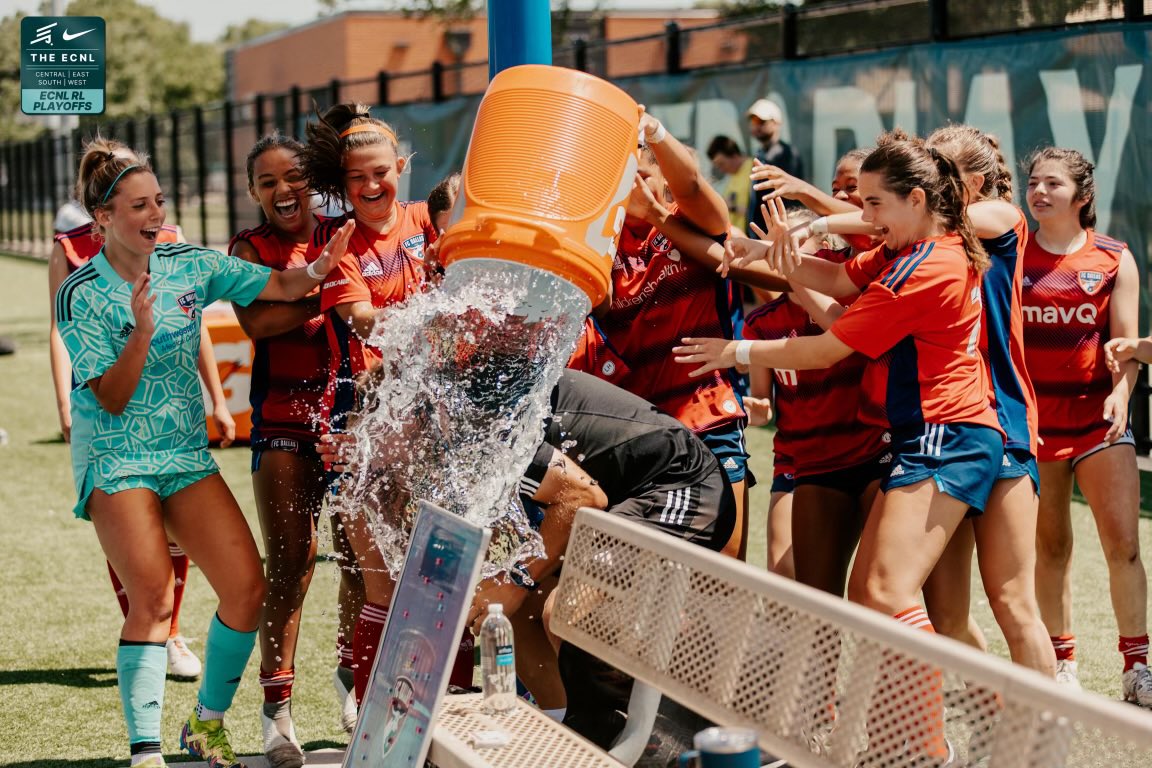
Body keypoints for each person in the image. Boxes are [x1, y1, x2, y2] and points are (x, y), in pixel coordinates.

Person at [676, 132, 1005, 765]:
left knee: (888, 594)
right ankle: (913, 741)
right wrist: (774, 253)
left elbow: (829, 348)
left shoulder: (925, 265)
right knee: (876, 594)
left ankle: (936, 743)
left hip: (948, 436)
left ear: (916, 200)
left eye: (874, 203)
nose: (864, 216)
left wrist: (734, 352)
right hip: (932, 437)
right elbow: (832, 276)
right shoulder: (911, 249)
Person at [56, 138, 353, 768]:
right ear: (104, 218)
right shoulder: (80, 293)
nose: (156, 214)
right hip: (117, 459)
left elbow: (278, 282)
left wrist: (321, 268)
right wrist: (141, 331)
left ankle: (204, 725)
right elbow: (111, 397)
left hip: (185, 456)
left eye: (159, 201)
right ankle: (145, 753)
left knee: (247, 588)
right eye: (140, 205)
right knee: (154, 596)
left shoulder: (188, 264)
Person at [323, 369, 735, 747]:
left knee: (565, 610)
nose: (376, 459)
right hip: (624, 496)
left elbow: (583, 496)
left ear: (406, 418)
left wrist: (516, 581)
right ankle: (565, 722)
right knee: (510, 610)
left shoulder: (476, 429)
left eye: (375, 442)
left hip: (680, 484)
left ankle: (653, 738)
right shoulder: (441, 425)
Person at [46, 140, 233, 682]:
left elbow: (194, 325)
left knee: (176, 532)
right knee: (131, 535)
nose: (150, 206)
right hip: (106, 411)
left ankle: (168, 631)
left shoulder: (168, 240)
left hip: (168, 413)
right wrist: (63, 403)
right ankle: (152, 625)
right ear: (104, 202)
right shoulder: (69, 249)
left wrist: (218, 398)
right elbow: (61, 331)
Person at [298, 102, 447, 708]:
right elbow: (361, 320)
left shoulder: (429, 217)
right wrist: (435, 324)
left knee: (432, 551)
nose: (370, 186)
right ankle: (355, 679)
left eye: (380, 172)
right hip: (364, 411)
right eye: (356, 177)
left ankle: (434, 688)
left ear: (401, 167)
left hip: (437, 410)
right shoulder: (337, 240)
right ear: (343, 182)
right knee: (367, 563)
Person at [228, 133, 365, 766]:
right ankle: (277, 715)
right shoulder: (249, 249)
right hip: (284, 418)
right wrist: (327, 290)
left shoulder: (345, 231)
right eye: (267, 182)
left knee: (362, 560)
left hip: (355, 416)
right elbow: (257, 322)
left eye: (293, 178)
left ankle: (352, 681)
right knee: (291, 563)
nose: (283, 190)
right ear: (253, 191)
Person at [570, 110, 754, 561]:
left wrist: (652, 129)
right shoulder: (599, 241)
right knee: (637, 574)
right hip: (642, 428)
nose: (632, 187)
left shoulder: (688, 221)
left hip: (707, 413)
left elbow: (691, 187)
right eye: (621, 180)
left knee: (720, 572)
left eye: (643, 175)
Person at [1021, 147, 1150, 704]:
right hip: (1034, 426)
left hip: (1100, 423)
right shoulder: (1010, 254)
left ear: (1082, 195)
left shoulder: (1114, 258)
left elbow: (1125, 346)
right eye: (1033, 182)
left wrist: (1121, 392)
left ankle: (1137, 668)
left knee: (1124, 546)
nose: (1038, 191)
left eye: (1052, 183)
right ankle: (1061, 662)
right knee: (1051, 548)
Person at [745, 97, 804, 233]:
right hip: (761, 230)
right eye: (753, 121)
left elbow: (789, 197)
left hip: (779, 230)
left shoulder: (786, 154)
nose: (756, 126)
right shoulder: (760, 154)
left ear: (776, 123)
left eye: (761, 121)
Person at [706, 135, 754, 232]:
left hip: (752, 235)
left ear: (734, 155)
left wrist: (732, 207)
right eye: (717, 166)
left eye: (721, 163)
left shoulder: (755, 169)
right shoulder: (733, 176)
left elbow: (759, 210)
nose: (721, 169)